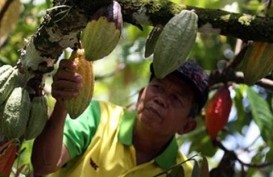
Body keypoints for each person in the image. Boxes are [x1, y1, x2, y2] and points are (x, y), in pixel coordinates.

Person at [31, 59, 209, 177]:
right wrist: (63, 103)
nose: (161, 99)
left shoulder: (182, 172)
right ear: (141, 95)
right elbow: (43, 165)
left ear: (187, 126)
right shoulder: (98, 115)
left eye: (176, 98)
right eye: (158, 87)